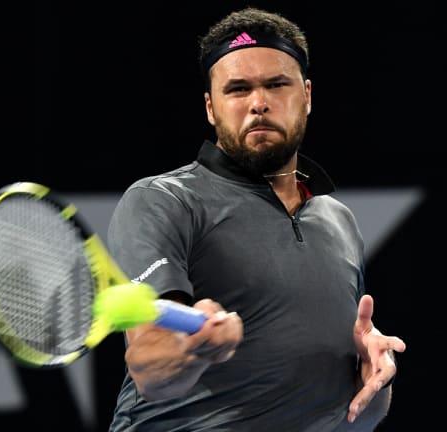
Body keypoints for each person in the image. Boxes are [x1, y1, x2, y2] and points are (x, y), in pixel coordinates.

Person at [106, 7, 407, 431]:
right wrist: (198, 348)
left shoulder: (337, 220)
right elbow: (149, 366)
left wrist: (374, 372)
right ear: (211, 108)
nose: (259, 103)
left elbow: (361, 416)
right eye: (238, 89)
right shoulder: (163, 201)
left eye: (275, 85)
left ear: (306, 96)